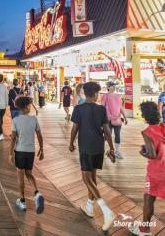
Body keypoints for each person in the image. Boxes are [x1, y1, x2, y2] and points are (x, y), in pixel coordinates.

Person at [69, 81, 116, 232]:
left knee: (86, 179)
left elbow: (74, 128)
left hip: (86, 147)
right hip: (98, 148)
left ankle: (106, 210)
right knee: (92, 178)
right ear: (95, 94)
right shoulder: (101, 109)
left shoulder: (78, 109)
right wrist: (112, 148)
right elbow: (107, 131)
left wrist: (71, 143)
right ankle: (89, 207)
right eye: (98, 93)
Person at [129, 101, 165, 236]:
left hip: (157, 171)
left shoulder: (147, 131)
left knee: (148, 198)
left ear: (145, 115)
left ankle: (144, 230)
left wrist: (142, 151)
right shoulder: (163, 126)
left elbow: (151, 154)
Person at [9, 96, 44, 214]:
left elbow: (13, 138)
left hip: (20, 151)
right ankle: (37, 193)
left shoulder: (15, 120)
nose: (30, 107)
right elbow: (39, 135)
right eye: (29, 106)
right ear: (25, 107)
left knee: (20, 176)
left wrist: (10, 154)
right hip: (31, 151)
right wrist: (42, 149)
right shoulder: (34, 119)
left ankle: (22, 201)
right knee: (29, 174)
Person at [101, 81, 128, 159]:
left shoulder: (118, 96)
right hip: (108, 119)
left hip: (118, 119)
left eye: (114, 86)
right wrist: (101, 119)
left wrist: (125, 117)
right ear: (108, 87)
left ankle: (116, 151)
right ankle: (102, 150)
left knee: (118, 135)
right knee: (107, 136)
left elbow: (120, 107)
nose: (114, 87)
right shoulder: (105, 96)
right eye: (112, 85)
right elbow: (102, 107)